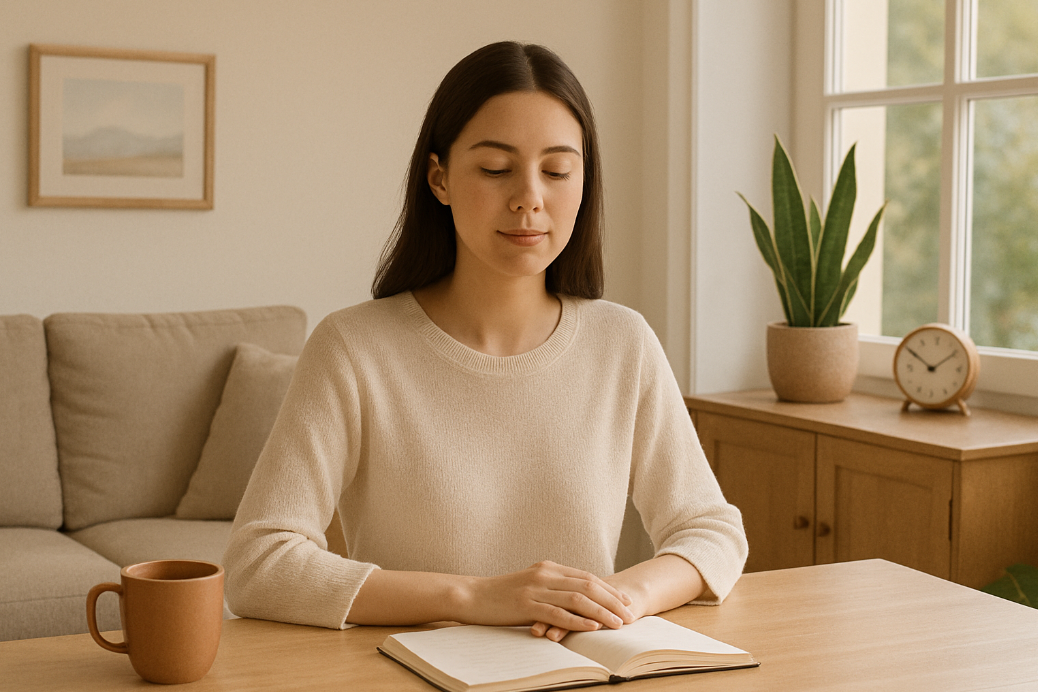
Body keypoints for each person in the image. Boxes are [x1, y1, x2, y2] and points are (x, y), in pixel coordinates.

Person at [223, 41, 747, 643]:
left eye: (556, 170)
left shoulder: (621, 342)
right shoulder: (353, 348)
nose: (529, 197)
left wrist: (620, 597)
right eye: (496, 169)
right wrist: (472, 596)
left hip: (577, 674)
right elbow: (258, 563)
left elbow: (712, 531)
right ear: (439, 178)